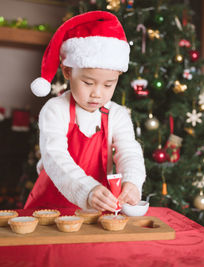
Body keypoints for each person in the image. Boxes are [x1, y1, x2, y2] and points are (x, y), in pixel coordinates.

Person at [24, 11, 146, 212]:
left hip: (95, 211)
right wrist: (87, 190)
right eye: (88, 82)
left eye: (108, 85)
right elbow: (55, 156)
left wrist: (132, 181)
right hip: (48, 210)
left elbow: (129, 151)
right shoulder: (55, 110)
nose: (97, 94)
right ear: (68, 72)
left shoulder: (117, 115)